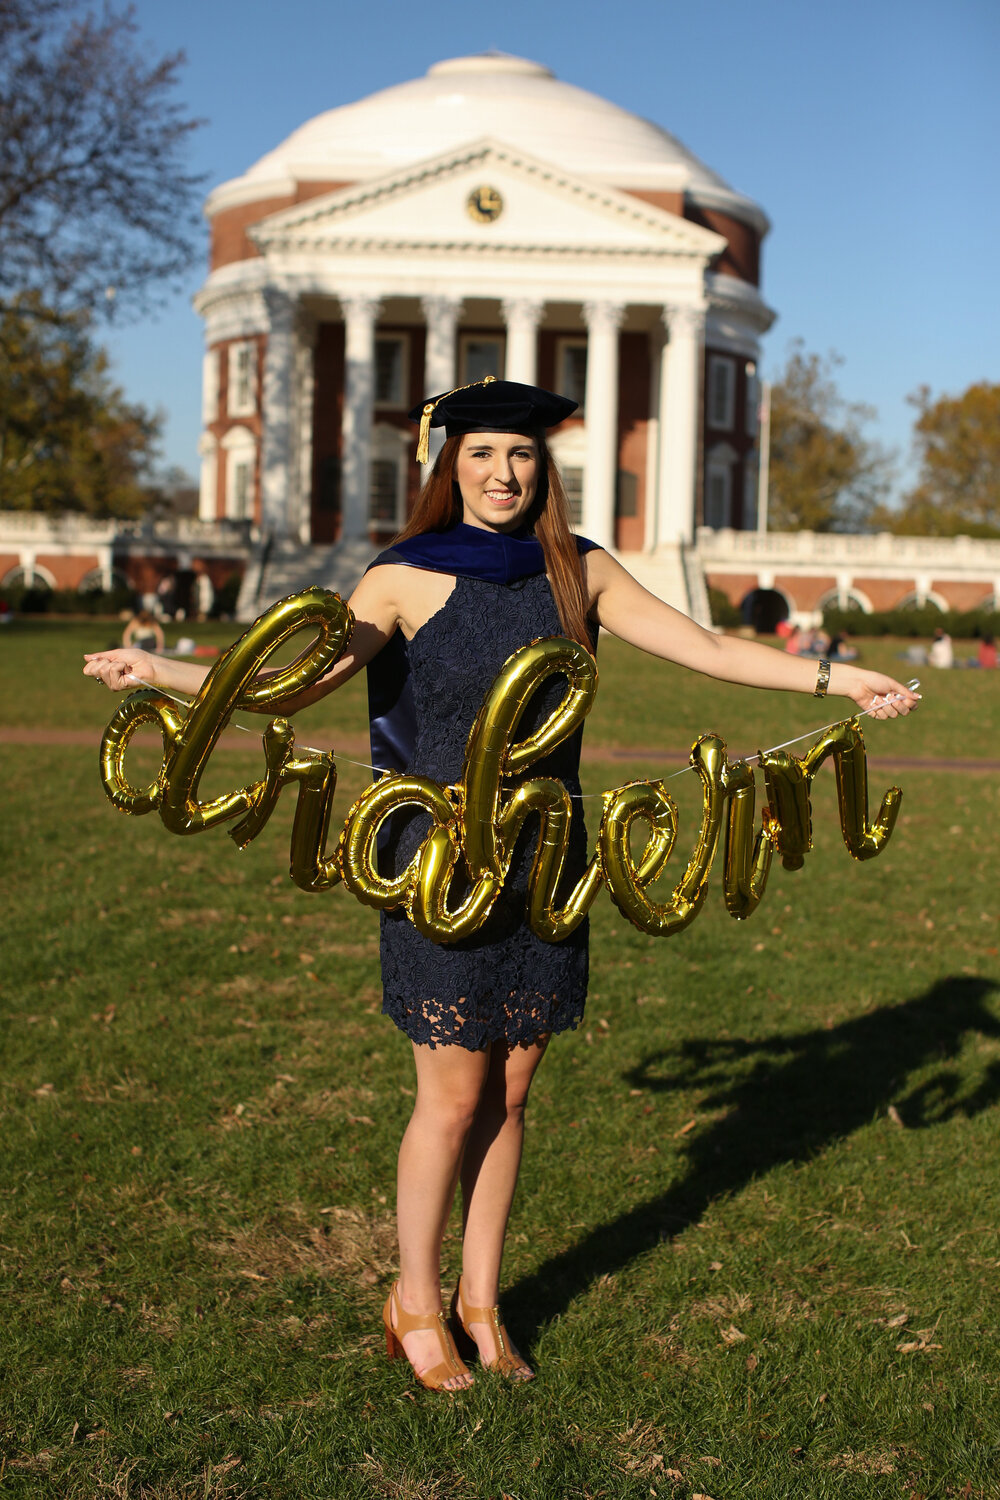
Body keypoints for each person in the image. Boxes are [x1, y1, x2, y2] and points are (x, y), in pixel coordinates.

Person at [82, 378, 919, 1393]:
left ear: (542, 470)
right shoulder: (400, 576)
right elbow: (297, 681)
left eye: (519, 456)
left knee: (514, 1090)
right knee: (452, 1093)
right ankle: (415, 1303)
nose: (502, 473)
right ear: (451, 465)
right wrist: (159, 672)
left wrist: (842, 680)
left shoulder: (580, 573)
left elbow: (701, 649)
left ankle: (481, 1300)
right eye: (481, 454)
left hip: (546, 857)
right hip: (434, 857)